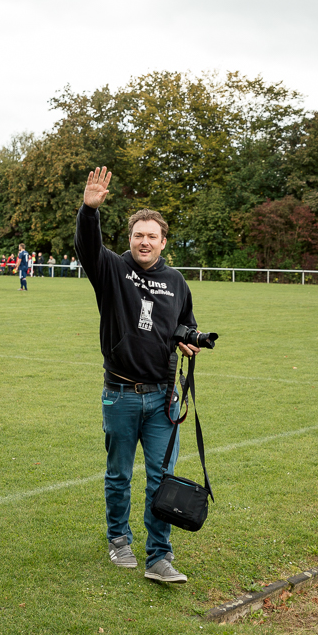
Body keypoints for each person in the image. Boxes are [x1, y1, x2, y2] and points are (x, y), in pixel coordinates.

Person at [75, 167, 203, 585]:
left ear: (164, 242)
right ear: (129, 239)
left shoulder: (176, 281)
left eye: (151, 236)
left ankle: (159, 556)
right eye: (137, 235)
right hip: (121, 395)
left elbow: (185, 322)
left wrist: (188, 339)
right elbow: (87, 248)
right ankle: (118, 539)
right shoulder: (111, 270)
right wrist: (89, 211)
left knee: (161, 478)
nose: (144, 241)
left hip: (164, 399)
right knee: (119, 475)